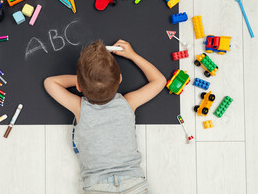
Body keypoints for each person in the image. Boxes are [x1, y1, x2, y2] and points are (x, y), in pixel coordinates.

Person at [44, 39, 166, 193]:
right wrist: (133, 55)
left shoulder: (80, 107)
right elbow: (159, 81)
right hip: (133, 182)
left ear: (78, 86)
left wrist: (85, 81)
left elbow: (50, 83)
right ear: (120, 79)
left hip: (97, 184)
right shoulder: (129, 102)